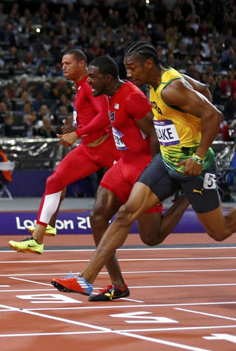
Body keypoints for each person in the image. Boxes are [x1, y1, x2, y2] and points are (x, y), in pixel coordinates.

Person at [51, 41, 236, 297]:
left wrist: (198, 154)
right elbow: (204, 89)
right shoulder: (162, 82)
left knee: (220, 231)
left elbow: (214, 115)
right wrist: (188, 115)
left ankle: (190, 195)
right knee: (126, 214)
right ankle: (86, 279)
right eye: (126, 68)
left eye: (132, 68)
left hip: (193, 165)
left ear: (149, 64)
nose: (128, 74)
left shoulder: (172, 89)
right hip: (165, 160)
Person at [56, 55, 190, 301]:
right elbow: (107, 120)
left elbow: (155, 134)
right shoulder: (106, 95)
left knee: (151, 237)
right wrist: (78, 131)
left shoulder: (133, 98)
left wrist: (155, 171)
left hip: (142, 168)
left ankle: (189, 196)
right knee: (97, 217)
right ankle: (117, 284)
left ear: (108, 78)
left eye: (93, 77)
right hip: (123, 165)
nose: (89, 81)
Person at [8, 49, 120, 254]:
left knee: (138, 194)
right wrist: (76, 126)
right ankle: (38, 238)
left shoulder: (89, 84)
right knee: (54, 181)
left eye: (68, 63)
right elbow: (89, 114)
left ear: (82, 64)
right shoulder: (80, 86)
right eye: (62, 64)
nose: (63, 67)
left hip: (108, 148)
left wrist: (77, 133)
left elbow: (105, 116)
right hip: (89, 149)